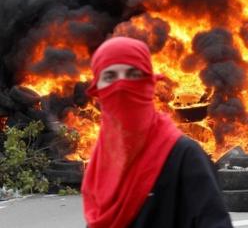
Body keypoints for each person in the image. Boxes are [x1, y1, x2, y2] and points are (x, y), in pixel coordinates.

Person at [81, 37, 233, 228]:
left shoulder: (184, 155)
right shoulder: (100, 161)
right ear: (97, 90)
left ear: (149, 83)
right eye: (110, 77)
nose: (121, 85)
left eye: (132, 74)